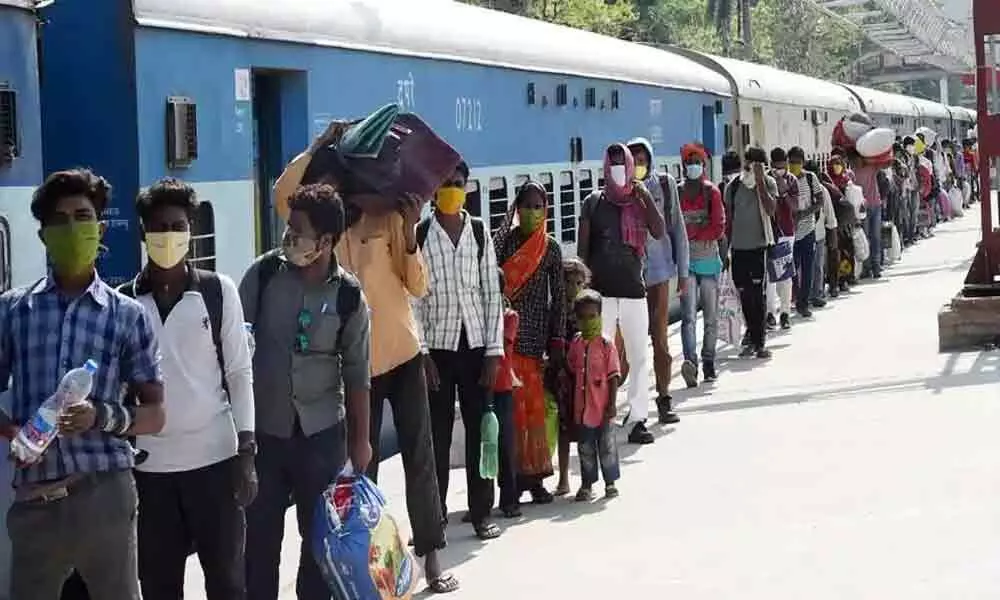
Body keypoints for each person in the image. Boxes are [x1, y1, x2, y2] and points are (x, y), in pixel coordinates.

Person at [271, 125, 456, 593]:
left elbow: (418, 286)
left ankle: (431, 557)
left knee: (420, 455)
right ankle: (361, 570)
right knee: (358, 467)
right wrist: (314, 146)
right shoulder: (319, 229)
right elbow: (282, 193)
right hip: (354, 370)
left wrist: (411, 234)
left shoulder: (389, 217)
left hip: (402, 351)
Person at [0, 168, 165, 600]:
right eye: (59, 220)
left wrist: (101, 416)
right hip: (35, 499)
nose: (73, 228)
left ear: (100, 228)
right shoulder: (13, 311)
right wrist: (13, 432)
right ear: (43, 236)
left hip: (104, 494)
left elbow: (155, 413)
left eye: (83, 216)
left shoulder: (127, 315)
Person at [123, 178, 255, 600]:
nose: (169, 236)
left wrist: (246, 452)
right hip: (150, 474)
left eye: (177, 226)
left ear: (191, 230)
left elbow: (238, 372)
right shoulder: (126, 304)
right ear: (144, 234)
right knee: (160, 586)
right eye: (159, 227)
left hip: (215, 465)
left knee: (227, 583)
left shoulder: (218, 293)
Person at [239, 183, 372, 600]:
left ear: (327, 241)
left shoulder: (349, 297)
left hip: (321, 436)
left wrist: (361, 443)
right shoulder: (263, 276)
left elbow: (357, 373)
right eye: (288, 229)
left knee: (319, 545)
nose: (288, 239)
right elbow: (233, 350)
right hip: (265, 432)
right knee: (258, 546)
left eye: (298, 232)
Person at [416, 164, 504, 541]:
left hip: (475, 347)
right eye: (445, 184)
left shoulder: (480, 232)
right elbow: (414, 297)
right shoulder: (420, 235)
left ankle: (482, 512)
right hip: (437, 349)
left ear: (467, 188)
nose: (452, 190)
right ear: (434, 191)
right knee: (434, 437)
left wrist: (493, 352)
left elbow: (490, 295)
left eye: (457, 184)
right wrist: (421, 353)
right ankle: (433, 518)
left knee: (480, 432)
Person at [578, 143, 665, 445]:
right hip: (600, 295)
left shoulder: (638, 202)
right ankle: (598, 417)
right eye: (612, 162)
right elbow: (582, 252)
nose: (617, 167)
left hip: (632, 291)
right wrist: (582, 292)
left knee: (640, 356)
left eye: (621, 162)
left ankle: (639, 417)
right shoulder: (593, 202)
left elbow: (659, 230)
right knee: (597, 359)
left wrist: (644, 197)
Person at [494, 180, 565, 503]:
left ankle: (535, 479)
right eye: (526, 206)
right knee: (511, 415)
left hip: (536, 339)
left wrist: (558, 339)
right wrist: (505, 222)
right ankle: (511, 481)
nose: (533, 212)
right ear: (517, 209)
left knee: (534, 412)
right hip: (507, 339)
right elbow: (491, 269)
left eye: (539, 206)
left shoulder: (550, 248)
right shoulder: (506, 244)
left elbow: (560, 298)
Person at [627, 137, 689, 406]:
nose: (639, 166)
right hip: (629, 278)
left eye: (643, 161)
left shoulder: (664, 184)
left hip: (660, 273)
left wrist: (683, 273)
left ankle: (664, 395)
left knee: (660, 338)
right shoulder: (620, 191)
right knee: (631, 345)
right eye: (634, 162)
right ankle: (635, 402)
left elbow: (677, 228)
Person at [565, 290, 621, 502]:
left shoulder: (607, 344)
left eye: (592, 316)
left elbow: (613, 375)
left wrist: (612, 405)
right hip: (582, 410)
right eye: (583, 318)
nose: (588, 322)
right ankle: (587, 484)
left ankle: (610, 482)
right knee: (585, 449)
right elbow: (571, 367)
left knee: (607, 447)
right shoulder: (577, 344)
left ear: (600, 315)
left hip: (603, 409)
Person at [678, 143, 725, 385]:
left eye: (697, 161)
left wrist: (692, 235)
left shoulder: (711, 192)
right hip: (686, 264)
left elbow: (718, 226)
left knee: (710, 316)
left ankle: (708, 361)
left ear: (703, 165)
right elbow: (672, 226)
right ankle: (690, 362)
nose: (693, 165)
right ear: (684, 166)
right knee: (688, 317)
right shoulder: (677, 193)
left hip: (707, 262)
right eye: (689, 162)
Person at [723, 147, 777, 359]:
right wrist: (724, 250)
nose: (751, 167)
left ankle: (759, 341)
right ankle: (751, 336)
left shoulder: (768, 183)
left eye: (756, 163)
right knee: (744, 296)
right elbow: (727, 220)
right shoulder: (733, 186)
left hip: (758, 248)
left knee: (758, 296)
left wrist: (761, 182)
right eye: (749, 162)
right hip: (738, 249)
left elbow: (771, 209)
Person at [553, 257, 591, 496]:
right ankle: (564, 479)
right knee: (564, 430)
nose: (574, 288)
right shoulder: (555, 311)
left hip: (584, 379)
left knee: (587, 429)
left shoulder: (587, 311)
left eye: (579, 283)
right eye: (568, 282)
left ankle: (587, 480)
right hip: (563, 378)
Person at [494, 268, 521, 517]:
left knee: (505, 445)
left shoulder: (509, 316)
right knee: (485, 445)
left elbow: (500, 345)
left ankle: (509, 498)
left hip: (502, 386)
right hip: (483, 386)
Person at [786, 147, 824, 317]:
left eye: (797, 162)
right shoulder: (785, 180)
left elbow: (820, 200)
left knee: (808, 268)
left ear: (802, 162)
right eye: (791, 162)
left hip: (808, 230)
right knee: (792, 269)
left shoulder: (810, 178)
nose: (794, 165)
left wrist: (805, 213)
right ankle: (795, 297)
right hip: (790, 233)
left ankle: (803, 303)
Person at [766, 147, 799, 330]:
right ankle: (770, 313)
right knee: (770, 276)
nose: (779, 170)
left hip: (786, 233)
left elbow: (796, 207)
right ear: (771, 165)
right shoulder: (765, 179)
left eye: (782, 166)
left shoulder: (792, 180)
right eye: (776, 166)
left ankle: (785, 312)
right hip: (769, 234)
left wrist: (784, 192)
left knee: (785, 275)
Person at [804, 160, 840, 303]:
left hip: (816, 233)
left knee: (816, 265)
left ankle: (816, 293)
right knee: (814, 265)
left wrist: (832, 230)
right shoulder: (806, 188)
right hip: (809, 233)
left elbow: (829, 213)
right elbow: (830, 215)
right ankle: (811, 294)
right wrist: (832, 231)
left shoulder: (821, 190)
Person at [827, 149, 858, 291]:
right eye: (834, 164)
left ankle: (846, 277)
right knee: (835, 253)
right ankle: (836, 280)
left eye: (839, 164)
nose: (836, 166)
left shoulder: (847, 181)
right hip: (833, 223)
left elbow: (855, 202)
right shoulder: (828, 182)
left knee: (847, 251)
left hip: (846, 223)